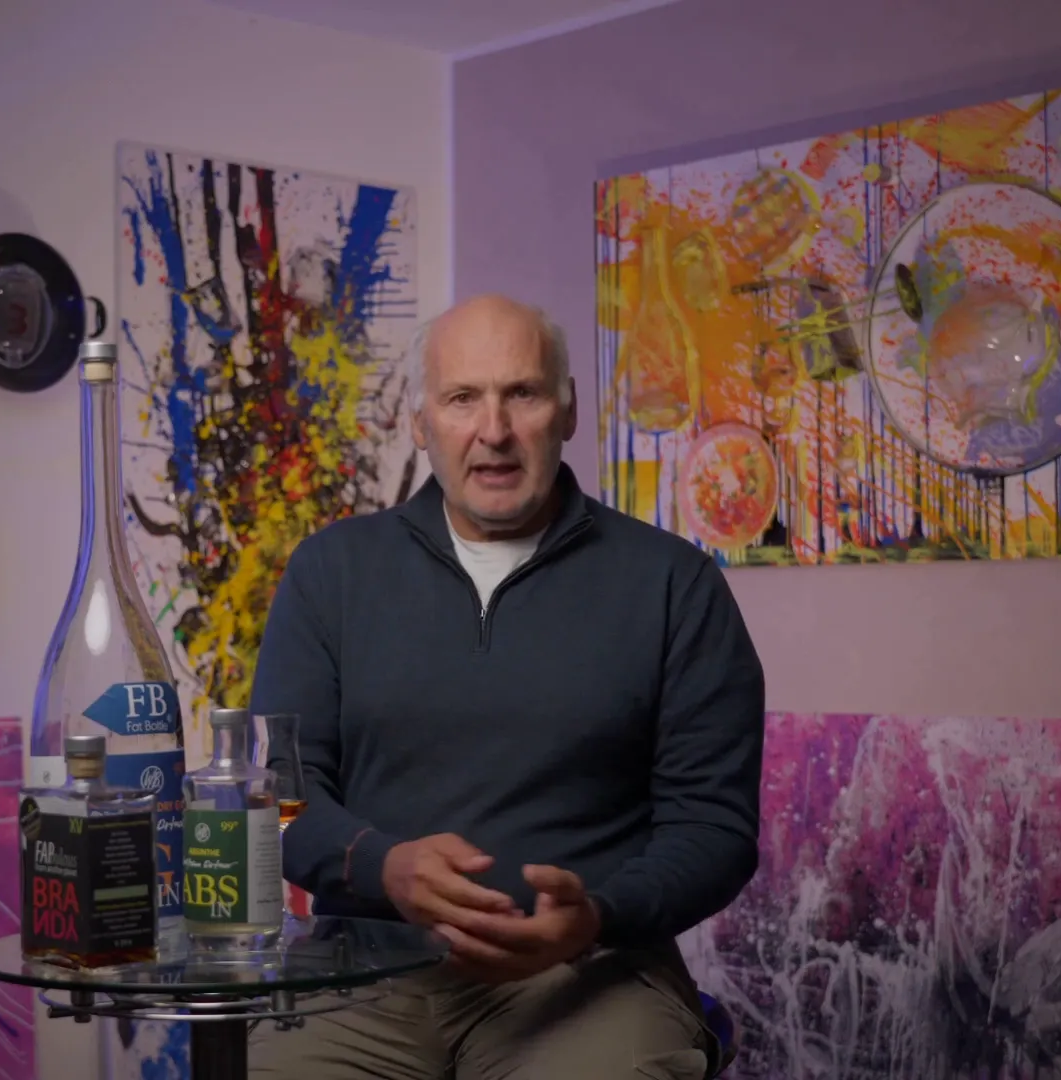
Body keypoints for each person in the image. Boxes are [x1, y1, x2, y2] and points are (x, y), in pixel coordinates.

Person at [246, 294, 766, 1079]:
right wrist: (378, 865)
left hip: (590, 977)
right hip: (362, 977)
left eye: (521, 393)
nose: (493, 430)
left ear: (567, 411)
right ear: (422, 423)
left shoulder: (673, 584)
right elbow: (276, 795)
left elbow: (715, 828)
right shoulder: (331, 574)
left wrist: (596, 917)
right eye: (463, 398)